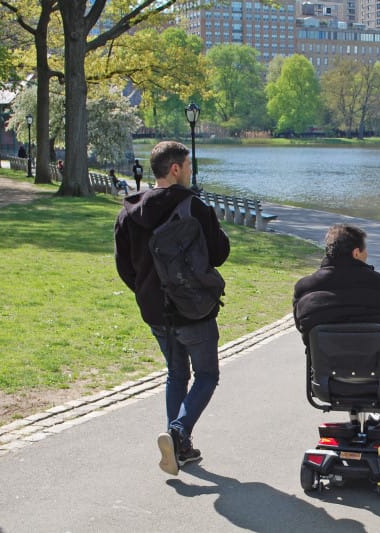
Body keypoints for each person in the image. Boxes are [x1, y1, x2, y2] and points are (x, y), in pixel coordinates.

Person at [114, 141, 230, 476]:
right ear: (175, 169)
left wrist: (146, 291)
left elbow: (124, 266)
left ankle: (178, 448)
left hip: (154, 309)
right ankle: (178, 432)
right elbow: (219, 254)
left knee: (177, 374)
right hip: (193, 306)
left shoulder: (128, 211)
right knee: (207, 374)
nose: (190, 171)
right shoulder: (193, 206)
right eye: (188, 165)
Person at [292, 224, 380, 448]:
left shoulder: (304, 289)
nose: (367, 256)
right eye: (365, 251)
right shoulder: (376, 283)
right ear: (356, 253)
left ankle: (356, 418)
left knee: (342, 355)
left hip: (329, 381)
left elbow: (302, 329)